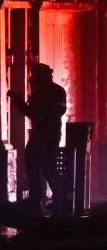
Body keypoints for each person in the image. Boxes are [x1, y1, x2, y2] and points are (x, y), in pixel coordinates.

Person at [8, 63, 67, 214]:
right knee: (33, 165)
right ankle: (37, 199)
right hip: (39, 136)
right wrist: (20, 103)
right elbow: (33, 113)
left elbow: (59, 110)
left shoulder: (56, 91)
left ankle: (59, 200)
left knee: (48, 168)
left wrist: (42, 116)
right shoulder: (40, 93)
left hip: (48, 137)